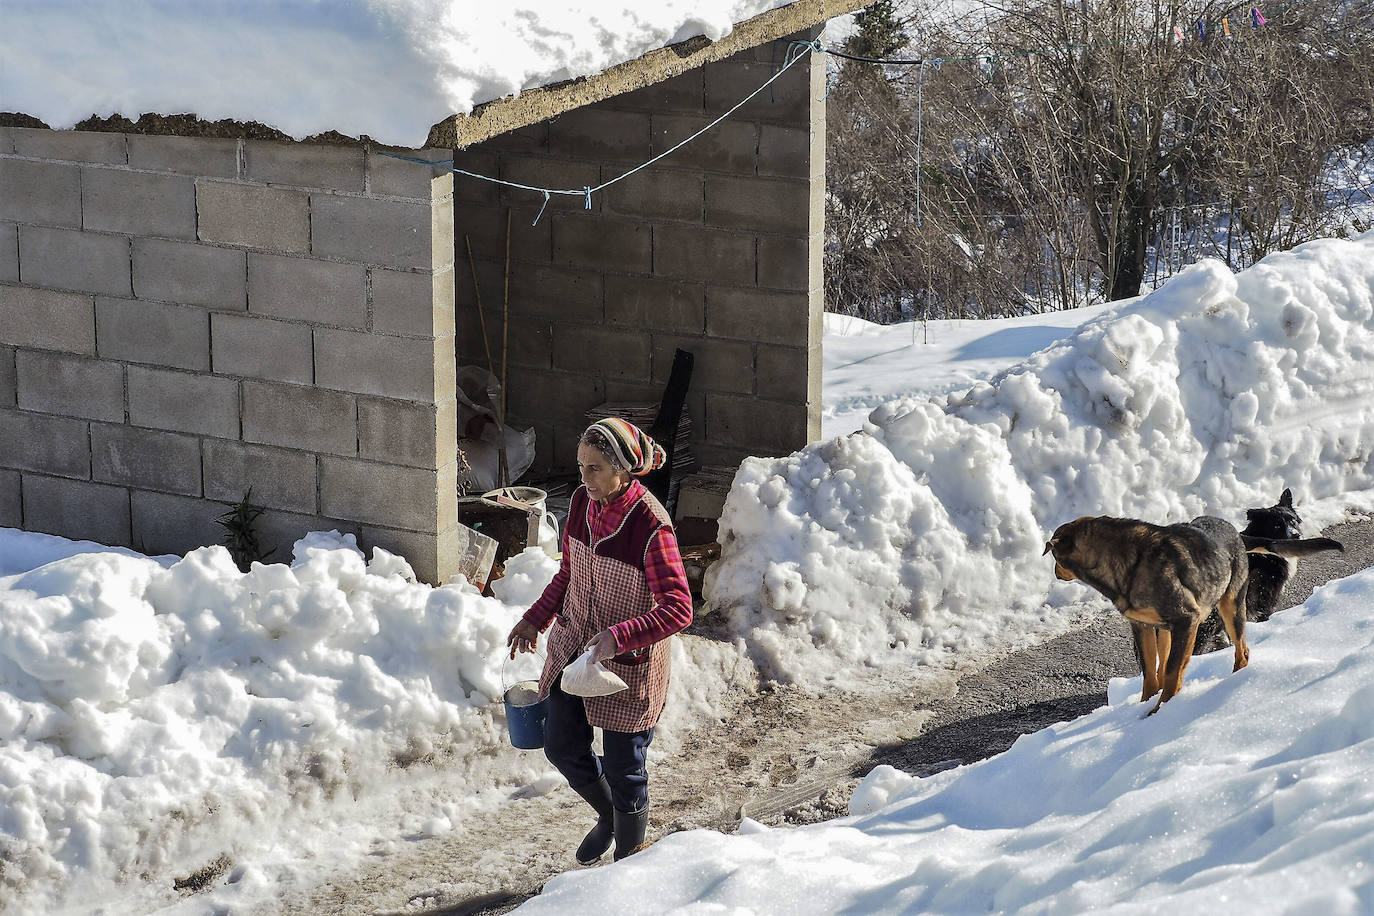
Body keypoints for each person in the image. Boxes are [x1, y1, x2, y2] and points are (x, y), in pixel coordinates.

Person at [507, 417, 693, 864]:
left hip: (624, 667)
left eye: (594, 469)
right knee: (561, 744)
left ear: (622, 471)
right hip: (576, 651)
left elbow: (679, 608)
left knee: (625, 767)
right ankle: (609, 816)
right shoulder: (580, 503)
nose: (583, 478)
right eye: (581, 467)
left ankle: (629, 856)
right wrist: (535, 617)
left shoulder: (651, 527)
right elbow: (569, 573)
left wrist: (619, 636)